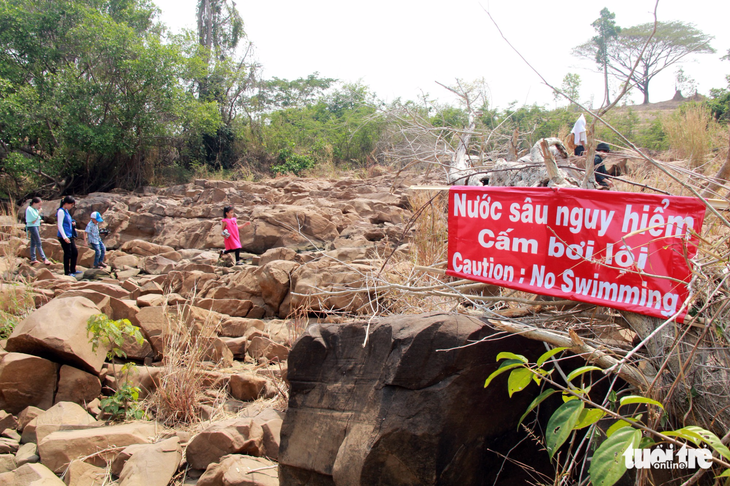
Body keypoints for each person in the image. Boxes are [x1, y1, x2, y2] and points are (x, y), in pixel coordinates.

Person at [57, 196, 80, 276]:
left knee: (74, 252)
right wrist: (64, 237)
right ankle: (67, 272)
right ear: (66, 203)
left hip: (70, 235)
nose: (71, 207)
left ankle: (73, 270)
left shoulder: (66, 211)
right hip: (64, 236)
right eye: (70, 205)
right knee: (68, 253)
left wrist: (73, 223)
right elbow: (60, 225)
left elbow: (68, 221)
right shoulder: (61, 211)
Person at [25, 197, 52, 265]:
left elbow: (37, 218)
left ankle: (33, 258)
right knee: (38, 242)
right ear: (34, 203)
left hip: (36, 226)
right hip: (32, 226)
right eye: (39, 205)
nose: (40, 207)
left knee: (33, 243)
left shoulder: (34, 209)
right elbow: (33, 220)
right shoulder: (29, 209)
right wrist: (39, 212)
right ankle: (44, 259)